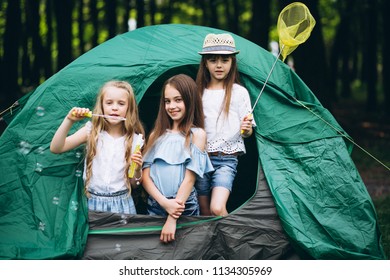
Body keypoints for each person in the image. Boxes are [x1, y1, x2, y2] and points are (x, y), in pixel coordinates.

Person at [50, 80, 145, 215]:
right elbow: (56, 148)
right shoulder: (91, 132)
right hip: (92, 203)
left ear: (129, 109)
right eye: (109, 102)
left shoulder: (135, 140)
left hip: (123, 204)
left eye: (121, 103)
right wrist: (69, 120)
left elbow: (134, 184)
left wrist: (137, 169)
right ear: (101, 106)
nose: (115, 108)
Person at [142, 74, 213, 243]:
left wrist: (172, 217)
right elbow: (145, 176)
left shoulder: (197, 135)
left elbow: (189, 179)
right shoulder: (155, 135)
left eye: (178, 100)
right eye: (167, 101)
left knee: (185, 252)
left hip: (184, 207)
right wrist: (164, 203)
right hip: (156, 204)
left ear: (190, 100)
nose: (172, 106)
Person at [195, 33, 255, 217]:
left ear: (232, 62)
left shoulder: (239, 92)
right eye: (213, 60)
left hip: (226, 160)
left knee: (217, 208)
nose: (219, 65)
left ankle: (232, 242)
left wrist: (246, 129)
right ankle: (211, 245)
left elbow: (247, 133)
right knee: (204, 211)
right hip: (200, 159)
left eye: (225, 60)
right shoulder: (198, 92)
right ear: (205, 63)